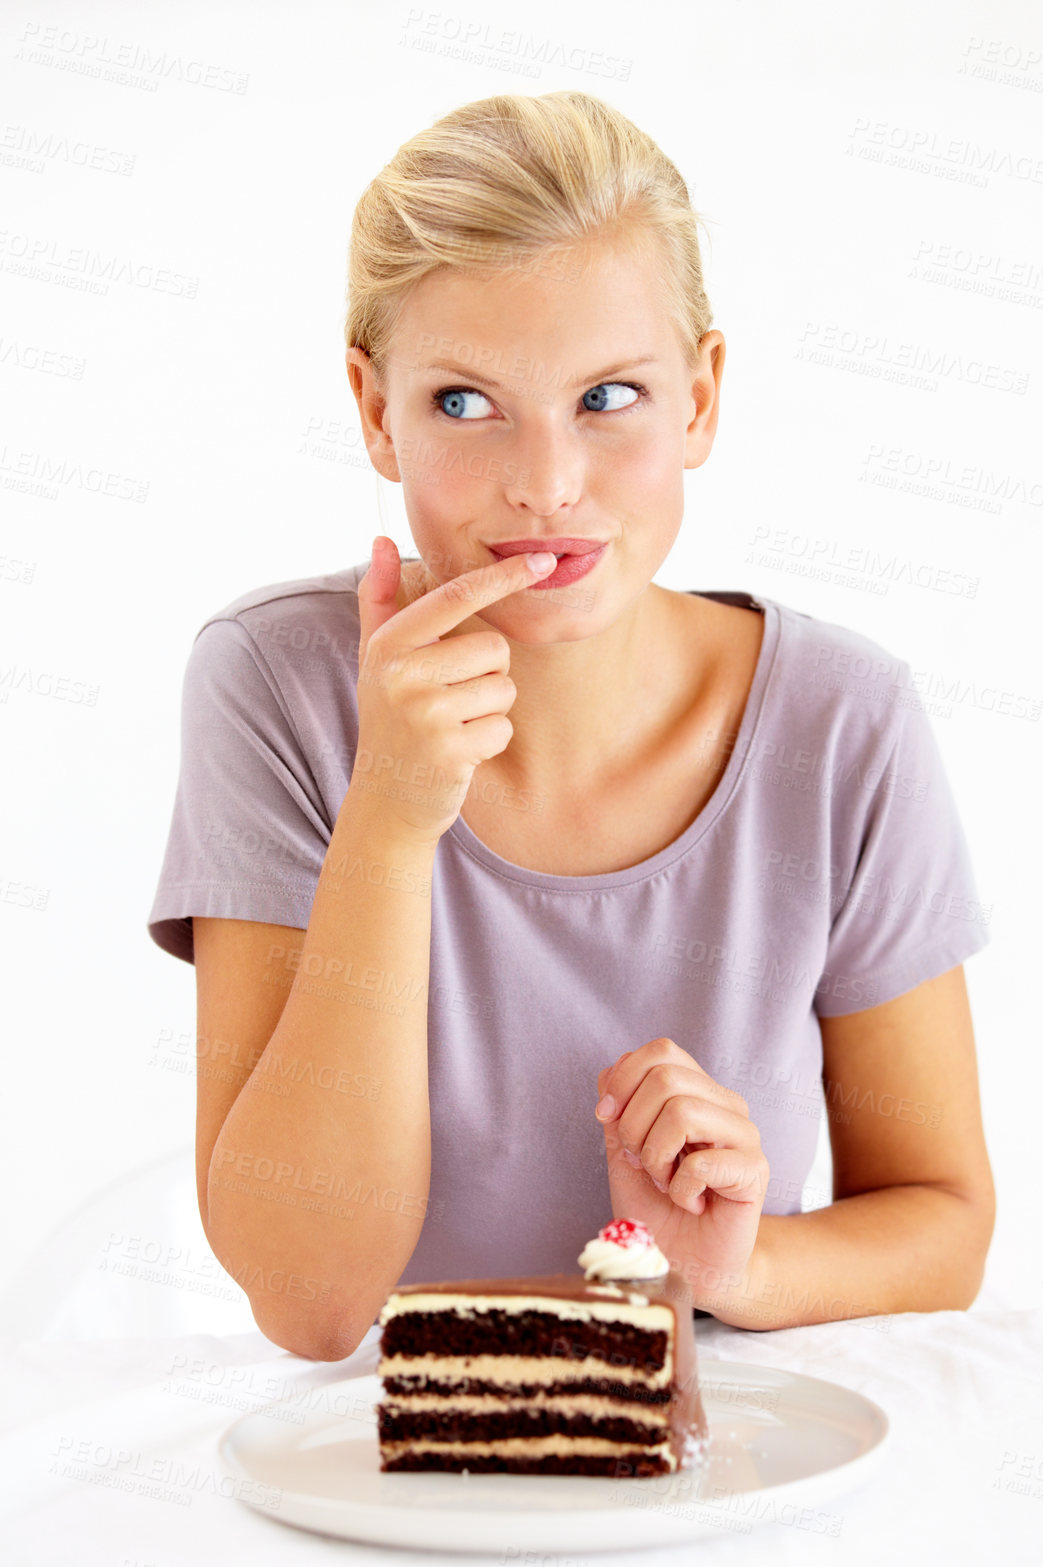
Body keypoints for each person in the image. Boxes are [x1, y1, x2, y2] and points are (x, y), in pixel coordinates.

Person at [148, 91, 995, 1361]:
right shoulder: (271, 684)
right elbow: (311, 1300)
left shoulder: (843, 723)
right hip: (397, 1491)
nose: (546, 480)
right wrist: (386, 817)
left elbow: (945, 1223)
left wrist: (745, 1261)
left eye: (608, 395)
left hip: (723, 1463)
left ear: (700, 398)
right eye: (464, 404)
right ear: (376, 411)